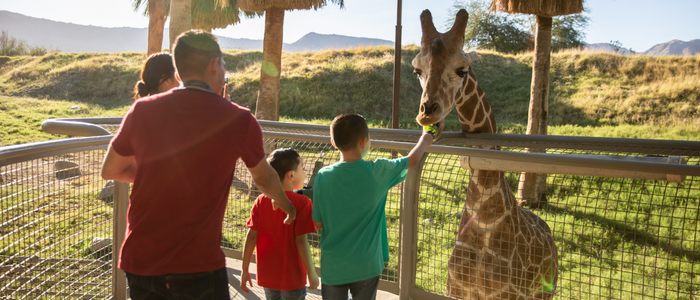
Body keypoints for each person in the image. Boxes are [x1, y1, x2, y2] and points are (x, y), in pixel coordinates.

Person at [100, 30, 296, 300]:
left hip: (141, 262)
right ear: (215, 65)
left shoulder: (142, 110)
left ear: (179, 75)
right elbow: (264, 179)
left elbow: (110, 170)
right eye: (223, 65)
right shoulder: (239, 120)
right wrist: (286, 204)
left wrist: (160, 174)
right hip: (196, 266)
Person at [312, 114, 433, 300]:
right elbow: (412, 159)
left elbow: (318, 223)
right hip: (366, 265)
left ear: (333, 142)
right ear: (364, 141)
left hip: (334, 266)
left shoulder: (323, 176)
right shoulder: (378, 171)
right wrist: (425, 138)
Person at [240, 148, 319, 300]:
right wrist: (312, 272)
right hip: (293, 278)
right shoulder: (302, 202)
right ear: (291, 175)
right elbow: (301, 241)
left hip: (268, 277)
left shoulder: (261, 201)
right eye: (302, 168)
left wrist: (245, 269)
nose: (304, 173)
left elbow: (251, 237)